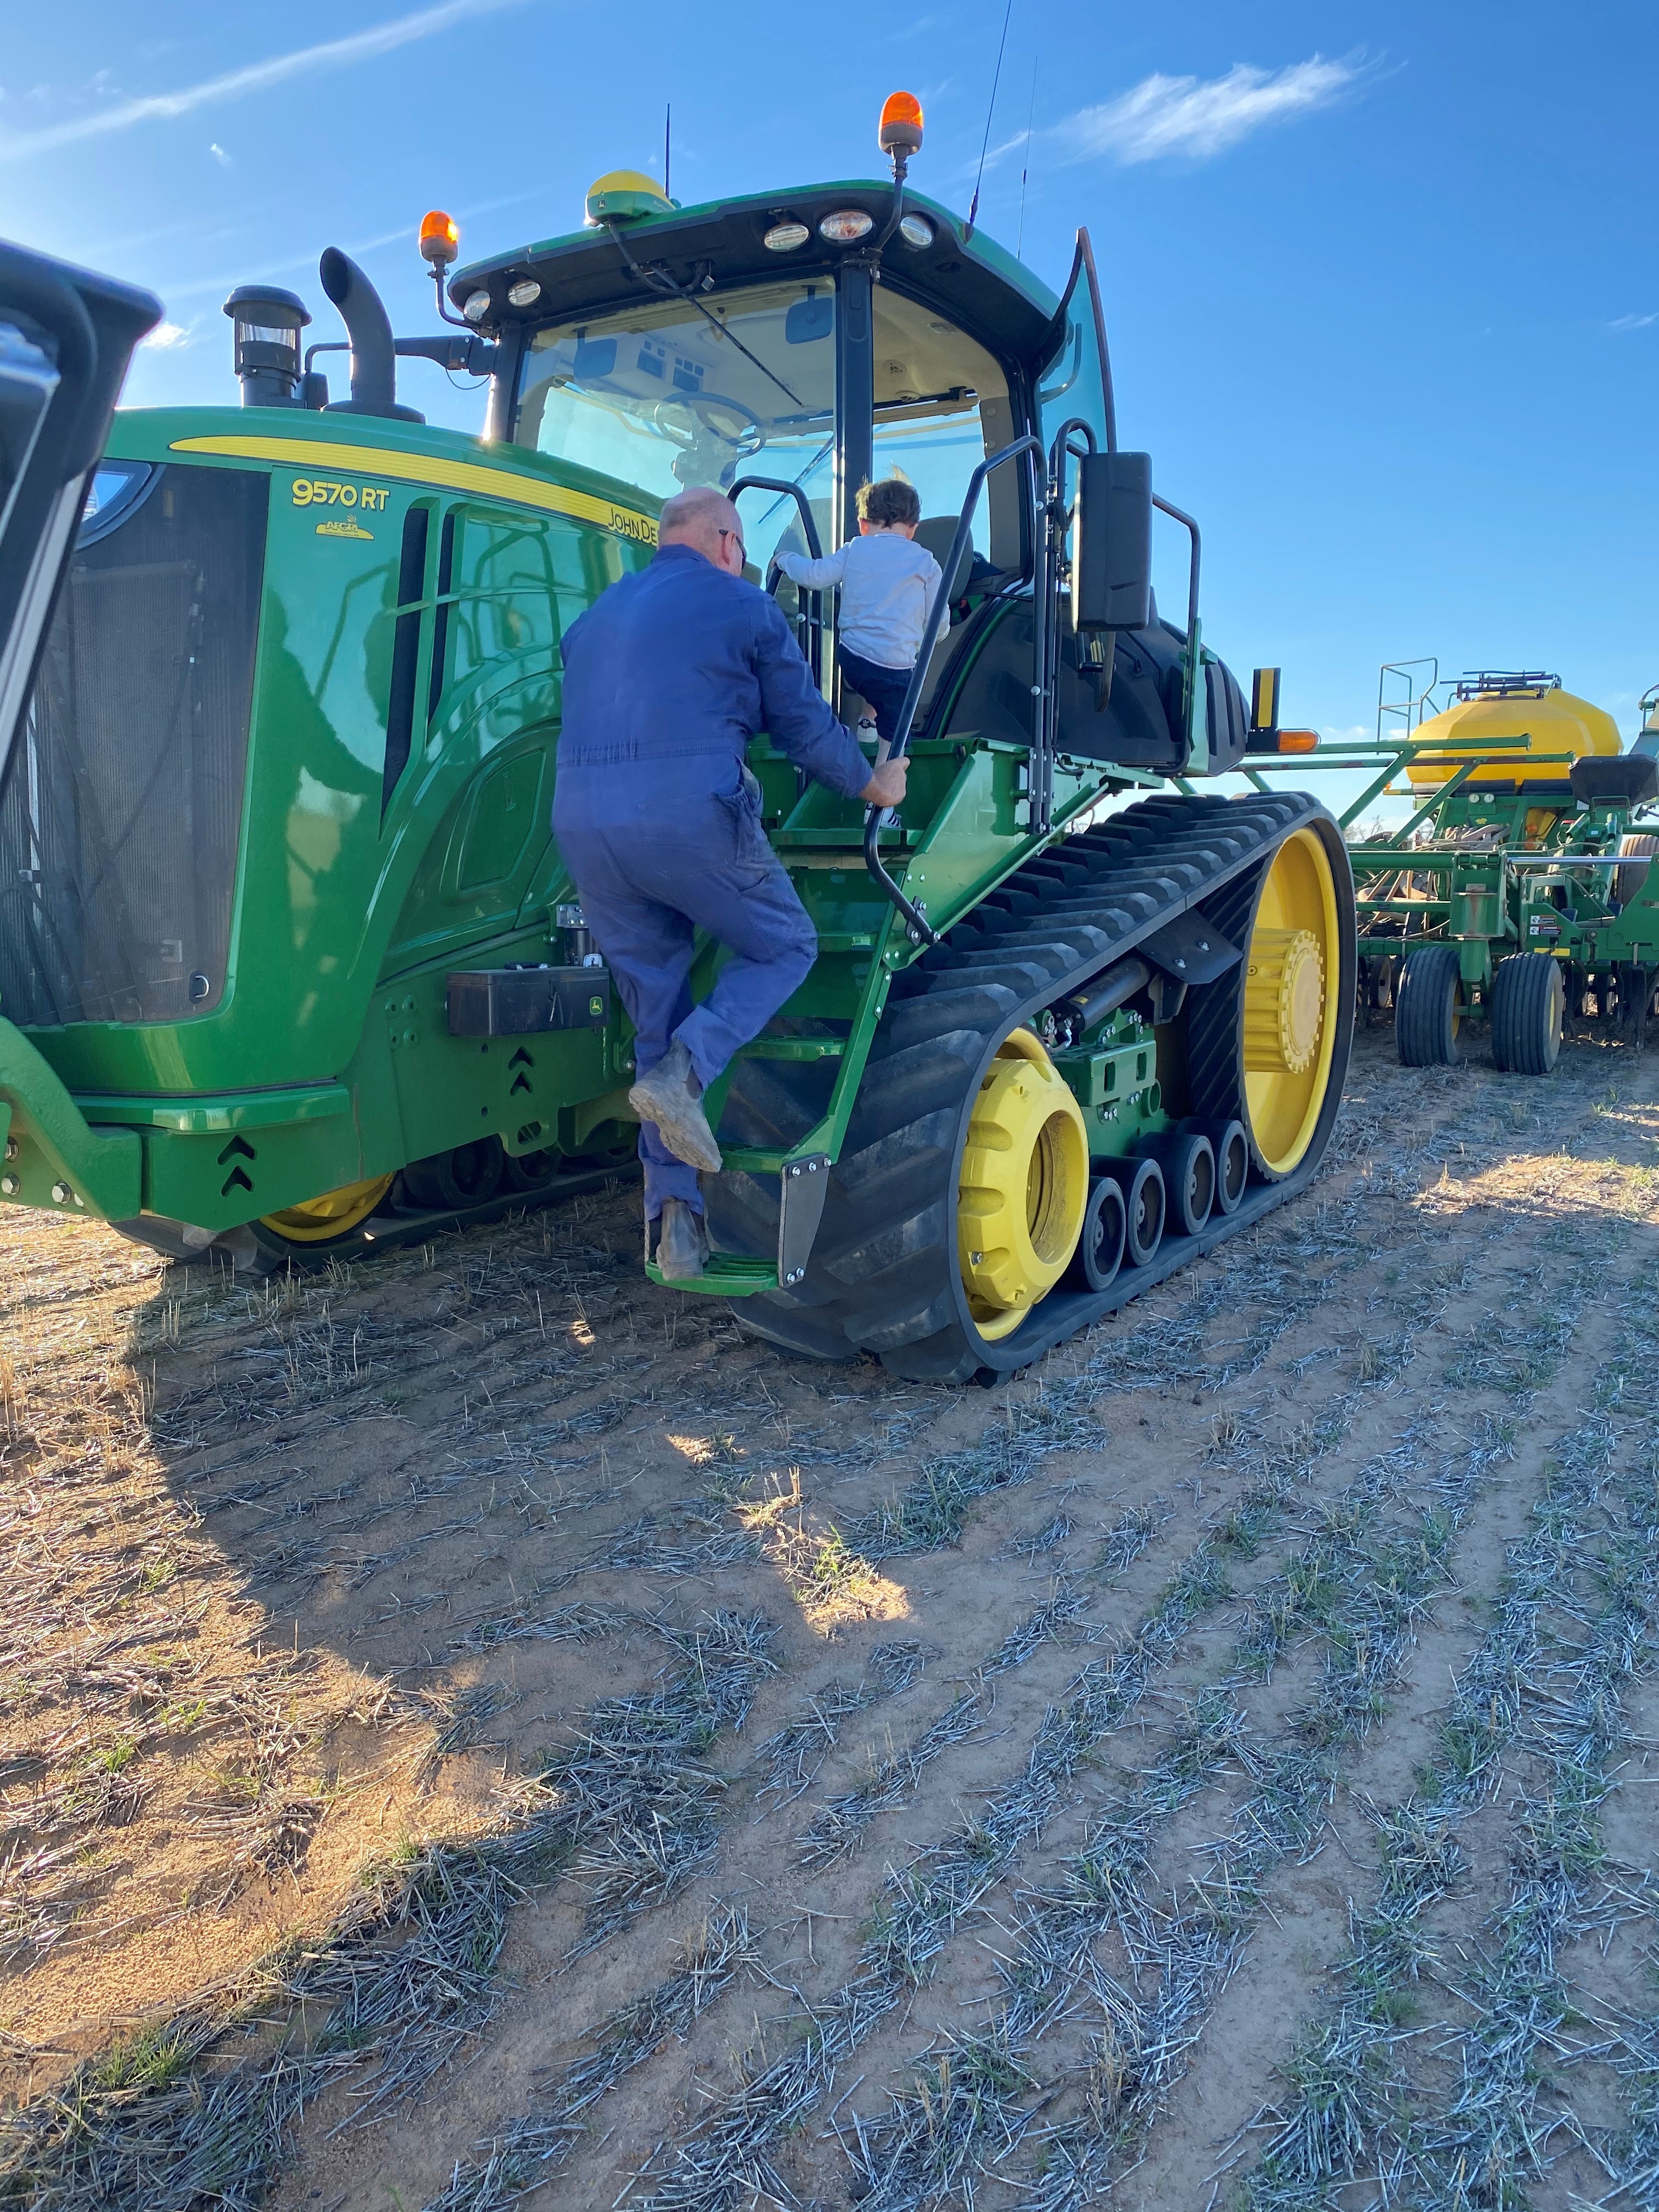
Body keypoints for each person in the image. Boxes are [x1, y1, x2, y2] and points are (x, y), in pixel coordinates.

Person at [552, 486, 909, 1282]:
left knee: (656, 1009)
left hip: (582, 826)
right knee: (786, 942)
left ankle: (676, 1228)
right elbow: (805, 729)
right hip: (686, 818)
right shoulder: (743, 605)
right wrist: (872, 786)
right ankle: (688, 1071)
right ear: (724, 540)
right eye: (740, 544)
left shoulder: (596, 618)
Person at [773, 477, 945, 748]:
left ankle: (867, 720)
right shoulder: (927, 562)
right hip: (895, 670)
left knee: (875, 681)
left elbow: (815, 576)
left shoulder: (856, 548)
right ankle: (887, 777)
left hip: (853, 660)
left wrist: (786, 558)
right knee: (896, 734)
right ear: (913, 529)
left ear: (863, 525)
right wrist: (915, 639)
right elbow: (940, 625)